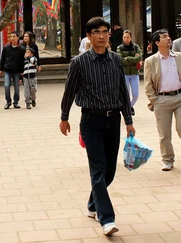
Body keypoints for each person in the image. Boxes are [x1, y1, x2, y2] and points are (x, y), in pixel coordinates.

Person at [60, 17, 134, 237]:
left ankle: (93, 204)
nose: (102, 36)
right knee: (98, 169)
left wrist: (128, 121)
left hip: (113, 121)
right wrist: (64, 117)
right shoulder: (79, 62)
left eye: (105, 31)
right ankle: (107, 219)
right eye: (97, 32)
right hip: (91, 121)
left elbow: (122, 91)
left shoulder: (115, 60)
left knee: (109, 171)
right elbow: (69, 91)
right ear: (89, 36)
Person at [144, 29, 181, 171]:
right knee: (164, 133)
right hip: (161, 100)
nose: (168, 38)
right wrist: (154, 99)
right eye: (164, 37)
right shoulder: (150, 61)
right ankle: (167, 159)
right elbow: (148, 83)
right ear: (157, 42)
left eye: (168, 36)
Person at [116, 30, 142, 115]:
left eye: (128, 37)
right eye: (124, 37)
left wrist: (128, 58)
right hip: (124, 74)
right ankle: (127, 109)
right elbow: (121, 60)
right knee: (125, 94)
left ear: (131, 38)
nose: (126, 39)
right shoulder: (119, 48)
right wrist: (133, 59)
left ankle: (129, 106)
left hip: (135, 73)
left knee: (136, 94)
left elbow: (139, 58)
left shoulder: (136, 47)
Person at [0, 31, 25, 109]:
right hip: (7, 70)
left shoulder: (21, 48)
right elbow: (2, 59)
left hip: (17, 71)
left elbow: (22, 61)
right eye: (11, 37)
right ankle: (8, 102)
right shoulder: (6, 47)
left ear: (17, 37)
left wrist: (22, 72)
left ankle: (16, 102)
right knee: (7, 86)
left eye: (14, 36)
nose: (12, 38)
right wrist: (1, 69)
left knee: (16, 88)